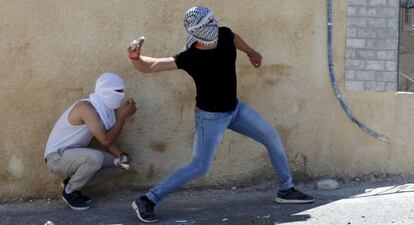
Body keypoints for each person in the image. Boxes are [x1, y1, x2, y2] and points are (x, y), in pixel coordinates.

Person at [127, 6, 314, 223]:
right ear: (197, 34)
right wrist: (135, 57)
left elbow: (234, 38)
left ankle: (286, 189)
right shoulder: (190, 57)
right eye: (206, 30)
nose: (212, 33)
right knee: (199, 166)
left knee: (271, 138)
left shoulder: (223, 34)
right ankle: (147, 200)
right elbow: (151, 66)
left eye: (211, 25)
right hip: (210, 117)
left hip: (235, 109)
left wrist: (252, 52)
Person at [44, 73, 136, 210]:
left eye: (122, 91)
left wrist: (121, 157)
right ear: (104, 90)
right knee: (95, 158)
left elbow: (107, 138)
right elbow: (105, 140)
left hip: (75, 155)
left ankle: (72, 182)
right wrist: (123, 117)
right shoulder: (86, 108)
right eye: (117, 91)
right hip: (57, 157)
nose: (121, 95)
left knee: (121, 164)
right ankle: (70, 192)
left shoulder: (105, 111)